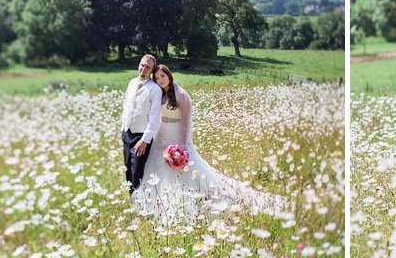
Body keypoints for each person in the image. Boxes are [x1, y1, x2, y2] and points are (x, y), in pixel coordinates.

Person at [132, 64, 288, 225]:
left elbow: (186, 122)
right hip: (161, 139)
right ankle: (156, 206)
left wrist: (183, 147)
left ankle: (184, 205)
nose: (160, 80)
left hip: (176, 141)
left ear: (169, 76)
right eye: (157, 78)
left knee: (182, 176)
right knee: (156, 173)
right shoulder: (158, 94)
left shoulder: (181, 94)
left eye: (162, 76)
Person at [121, 54, 162, 195]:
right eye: (142, 65)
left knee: (136, 171)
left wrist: (145, 140)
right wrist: (123, 129)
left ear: (152, 70)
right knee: (127, 168)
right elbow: (126, 106)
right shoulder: (132, 83)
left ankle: (140, 202)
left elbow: (154, 117)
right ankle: (132, 201)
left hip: (141, 137)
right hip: (127, 133)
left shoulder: (154, 89)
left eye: (147, 67)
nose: (143, 69)